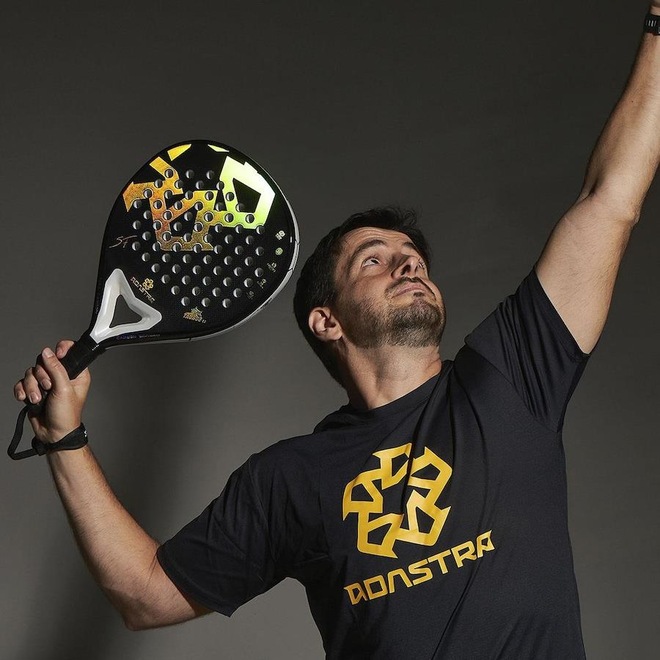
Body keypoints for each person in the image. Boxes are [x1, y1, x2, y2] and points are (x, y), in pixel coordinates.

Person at [13, 6, 660, 658]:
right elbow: (147, 595)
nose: (409, 264)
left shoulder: (511, 377)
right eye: (374, 260)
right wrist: (63, 438)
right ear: (327, 321)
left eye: (414, 258)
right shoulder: (290, 479)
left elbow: (608, 200)